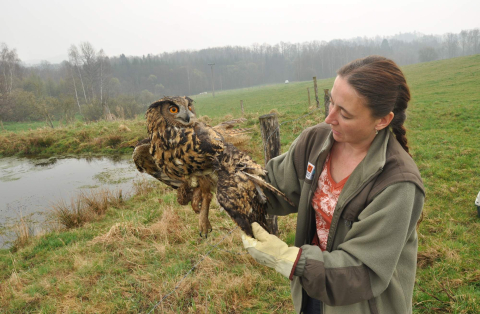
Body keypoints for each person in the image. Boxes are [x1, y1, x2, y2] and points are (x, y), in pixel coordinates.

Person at [242, 55, 425, 314]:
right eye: (331, 102)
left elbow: (362, 271)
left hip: (361, 304)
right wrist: (224, 180)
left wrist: (291, 260)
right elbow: (274, 188)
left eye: (345, 114)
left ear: (382, 120)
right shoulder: (315, 142)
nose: (329, 118)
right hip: (312, 291)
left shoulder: (398, 184)